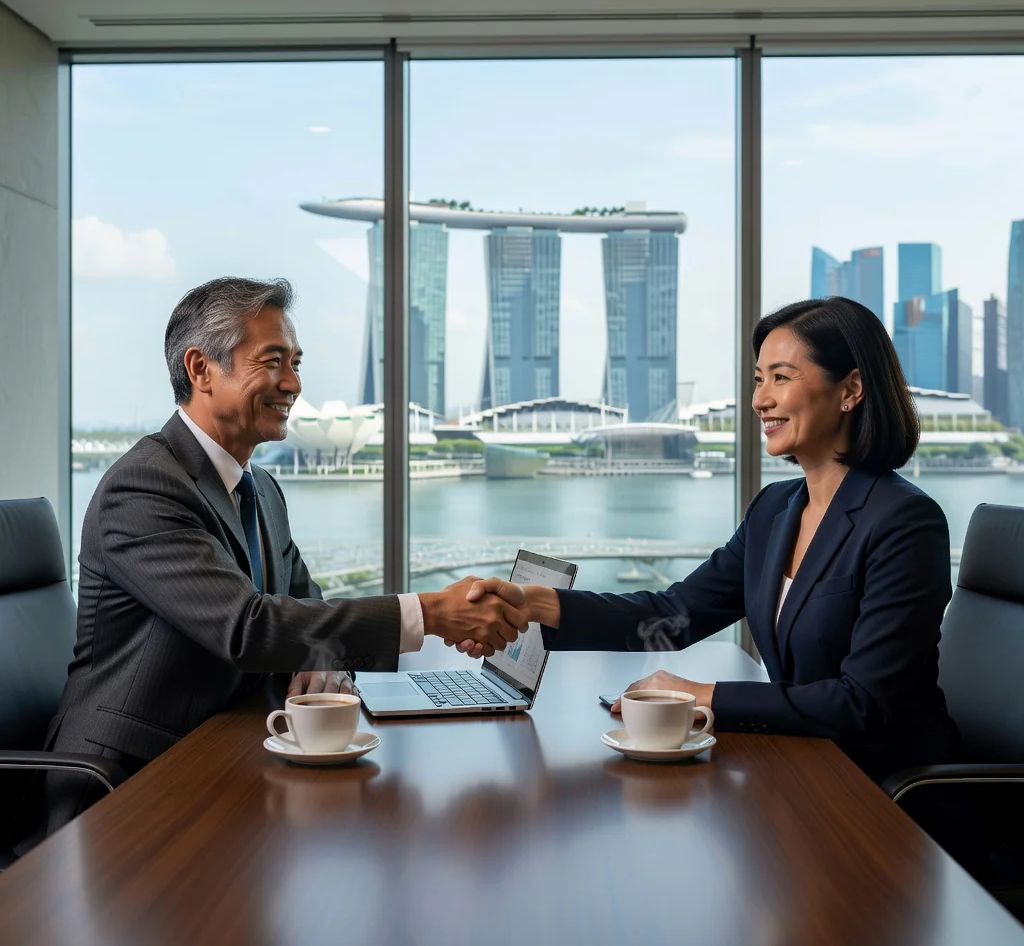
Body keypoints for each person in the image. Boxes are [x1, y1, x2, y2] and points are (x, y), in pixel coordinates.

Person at [26, 276, 524, 844]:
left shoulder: (261, 489)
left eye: (296, 362)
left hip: (224, 753)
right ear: (200, 369)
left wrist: (319, 662)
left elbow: (303, 608)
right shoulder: (142, 489)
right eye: (273, 361)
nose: (293, 383)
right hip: (125, 788)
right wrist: (427, 613)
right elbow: (248, 627)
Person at [467, 297, 963, 783]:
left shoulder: (904, 521)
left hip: (888, 795)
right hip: (799, 769)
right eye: (758, 378)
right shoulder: (774, 510)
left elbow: (865, 703)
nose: (759, 399)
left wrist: (702, 694)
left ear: (851, 389)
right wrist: (537, 604)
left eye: (781, 377)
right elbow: (671, 616)